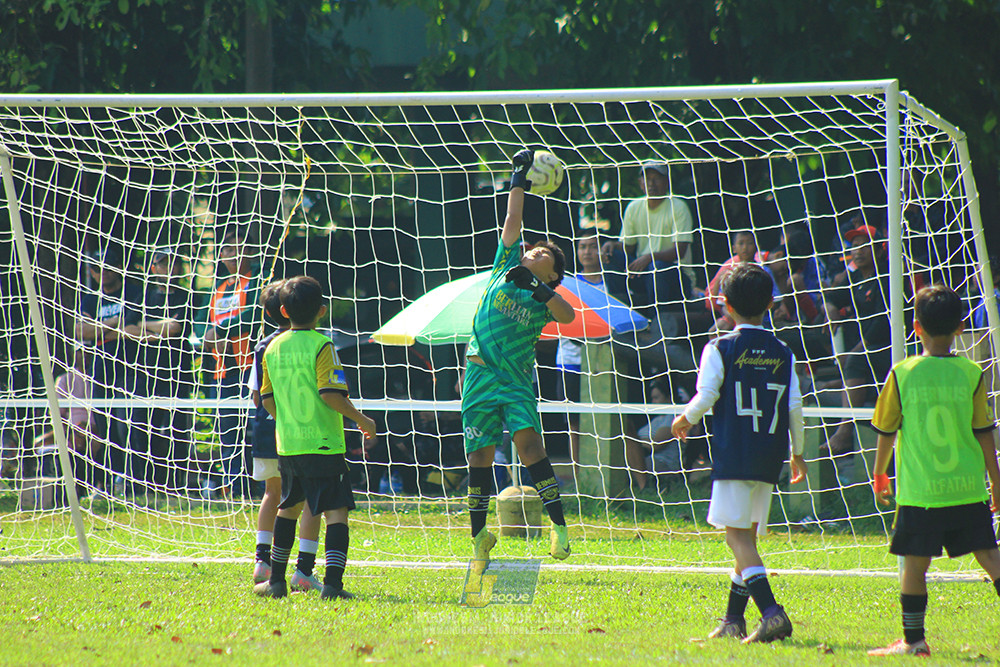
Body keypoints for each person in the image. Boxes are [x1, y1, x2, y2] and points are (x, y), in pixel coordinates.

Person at [671, 263, 807, 643]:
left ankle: (771, 613)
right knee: (746, 538)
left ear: (725, 304)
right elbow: (794, 406)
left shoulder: (720, 346)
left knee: (737, 540)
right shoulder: (782, 350)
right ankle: (733, 620)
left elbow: (708, 393)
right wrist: (798, 452)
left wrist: (685, 417)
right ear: (771, 304)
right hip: (769, 454)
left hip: (735, 453)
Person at [867, 285, 1000, 657]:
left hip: (922, 492)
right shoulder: (971, 372)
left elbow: (886, 431)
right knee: (990, 556)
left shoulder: (903, 373)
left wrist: (880, 473)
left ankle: (914, 641)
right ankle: (913, 642)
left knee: (915, 563)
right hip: (966, 486)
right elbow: (984, 432)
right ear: (960, 327)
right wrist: (996, 479)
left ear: (915, 326)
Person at [463, 148, 576, 567]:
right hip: (478, 376)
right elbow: (513, 220)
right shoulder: (505, 265)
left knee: (529, 446)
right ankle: (478, 536)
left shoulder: (545, 295)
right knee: (479, 456)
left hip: (514, 381)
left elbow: (567, 315)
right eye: (531, 250)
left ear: (553, 275)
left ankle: (559, 528)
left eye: (542, 255)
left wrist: (539, 287)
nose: (532, 252)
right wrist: (518, 177)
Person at [255, 275, 377, 600]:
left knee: (288, 508)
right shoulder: (323, 346)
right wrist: (363, 420)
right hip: (324, 444)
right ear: (322, 311)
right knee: (336, 511)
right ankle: (333, 586)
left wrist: (289, 421)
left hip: (290, 444)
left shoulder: (272, 347)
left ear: (283, 311)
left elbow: (265, 399)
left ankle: (277, 581)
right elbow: (330, 395)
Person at [248, 279, 325, 592]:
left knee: (272, 494)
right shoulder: (313, 343)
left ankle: (262, 561)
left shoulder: (263, 346)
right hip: (300, 432)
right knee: (310, 500)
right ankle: (303, 569)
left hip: (266, 429)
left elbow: (257, 397)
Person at [75, 245, 146, 495]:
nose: (102, 272)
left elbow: (135, 326)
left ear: (117, 267)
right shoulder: (90, 298)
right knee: (104, 425)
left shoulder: (135, 292)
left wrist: (100, 327)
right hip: (101, 367)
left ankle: (139, 481)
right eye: (96, 268)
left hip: (131, 366)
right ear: (92, 273)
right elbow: (80, 331)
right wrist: (115, 323)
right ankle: (111, 480)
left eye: (107, 266)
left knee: (131, 424)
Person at [820, 224, 891, 470]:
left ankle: (844, 431)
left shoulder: (887, 277)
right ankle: (845, 380)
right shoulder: (854, 280)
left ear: (879, 250)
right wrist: (830, 307)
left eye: (864, 245)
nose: (857, 251)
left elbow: (886, 320)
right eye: (853, 246)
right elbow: (830, 296)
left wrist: (859, 347)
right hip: (866, 352)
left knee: (857, 359)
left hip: (890, 348)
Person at [203, 227, 262, 498]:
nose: (233, 254)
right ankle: (235, 490)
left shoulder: (258, 281)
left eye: (239, 248)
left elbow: (255, 312)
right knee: (228, 432)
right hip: (222, 370)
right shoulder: (217, 289)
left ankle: (262, 488)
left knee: (257, 428)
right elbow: (200, 325)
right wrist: (210, 340)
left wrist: (224, 329)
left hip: (251, 367)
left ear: (250, 252)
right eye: (227, 250)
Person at [601, 161, 695, 315]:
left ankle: (659, 321)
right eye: (646, 179)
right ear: (640, 183)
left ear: (666, 182)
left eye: (656, 178)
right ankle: (619, 313)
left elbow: (680, 252)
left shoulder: (678, 207)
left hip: (675, 278)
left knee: (656, 266)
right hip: (644, 274)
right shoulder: (633, 207)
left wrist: (649, 258)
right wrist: (611, 245)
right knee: (612, 257)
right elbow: (628, 247)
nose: (651, 183)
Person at [555, 229, 607, 472]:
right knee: (573, 422)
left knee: (606, 419)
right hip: (569, 361)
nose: (587, 251)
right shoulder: (567, 284)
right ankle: (578, 478)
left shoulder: (610, 284)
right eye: (583, 247)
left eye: (592, 246)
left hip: (602, 364)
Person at [624, 379, 682, 494]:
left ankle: (645, 488)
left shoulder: (674, 417)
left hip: (662, 464)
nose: (653, 402)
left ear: (669, 397)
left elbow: (655, 444)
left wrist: (635, 443)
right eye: (652, 398)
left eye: (657, 398)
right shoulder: (655, 420)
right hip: (644, 459)